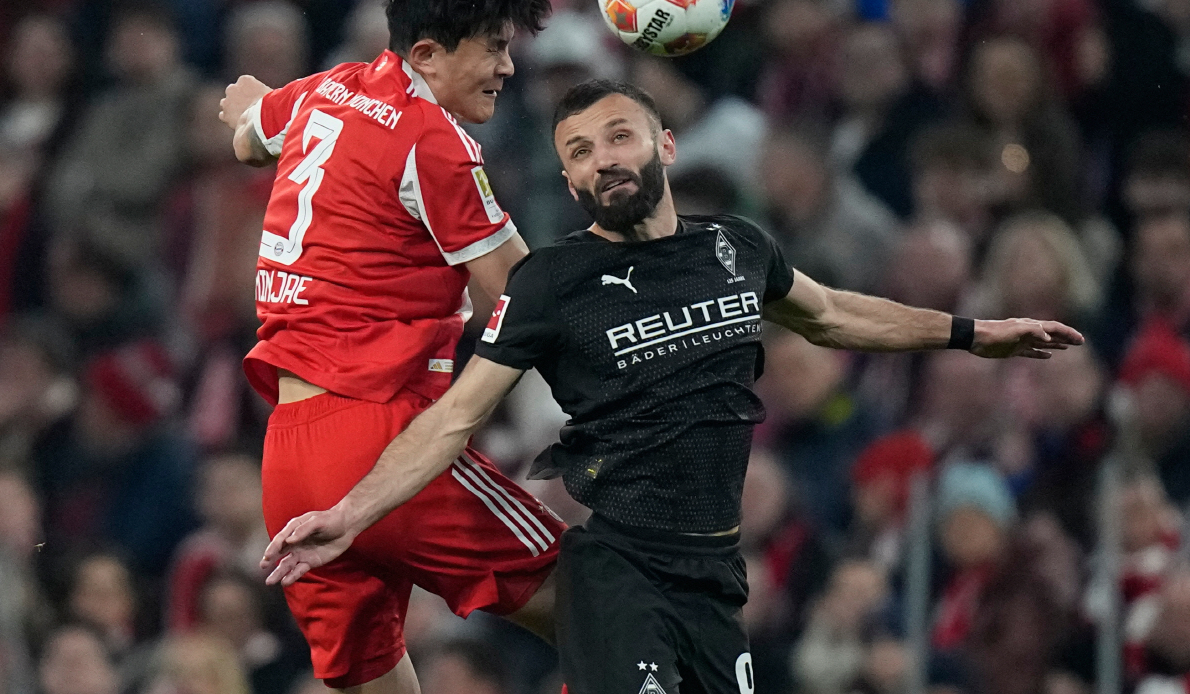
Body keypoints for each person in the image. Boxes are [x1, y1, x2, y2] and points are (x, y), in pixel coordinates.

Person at [260, 80, 1083, 694]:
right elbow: (454, 418)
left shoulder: (736, 245)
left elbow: (832, 315)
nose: (602, 159)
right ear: (570, 181)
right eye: (579, 152)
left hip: (714, 575)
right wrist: (353, 510)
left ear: (667, 145)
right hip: (618, 568)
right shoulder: (553, 282)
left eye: (618, 137)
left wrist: (977, 333)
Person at [216, 0, 561, 694]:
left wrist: (260, 110)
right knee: (602, 603)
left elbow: (247, 134)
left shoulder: (328, 91)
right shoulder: (433, 140)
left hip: (290, 463)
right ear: (429, 54)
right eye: (493, 48)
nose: (507, 67)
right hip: (380, 439)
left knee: (373, 683)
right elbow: (517, 293)